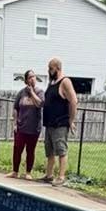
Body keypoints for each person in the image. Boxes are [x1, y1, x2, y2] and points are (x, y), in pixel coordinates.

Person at [41, 57, 76, 187]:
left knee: (61, 149)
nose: (49, 71)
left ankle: (61, 177)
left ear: (58, 68)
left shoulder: (65, 82)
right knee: (49, 150)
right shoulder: (52, 83)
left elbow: (73, 101)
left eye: (51, 68)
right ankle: (49, 175)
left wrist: (71, 120)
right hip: (49, 123)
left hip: (60, 122)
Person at [9, 70, 42, 178]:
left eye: (34, 77)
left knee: (30, 150)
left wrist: (32, 92)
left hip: (34, 128)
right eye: (30, 77)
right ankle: (15, 172)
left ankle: (28, 173)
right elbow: (16, 108)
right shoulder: (21, 93)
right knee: (17, 149)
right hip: (21, 127)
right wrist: (15, 123)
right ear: (26, 80)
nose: (32, 79)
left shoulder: (39, 92)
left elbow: (40, 104)